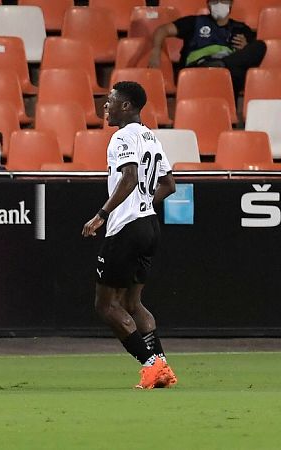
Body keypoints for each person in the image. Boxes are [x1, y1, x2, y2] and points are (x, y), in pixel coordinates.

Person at [81, 81, 178, 390]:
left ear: (126, 106)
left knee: (105, 304)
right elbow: (169, 184)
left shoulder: (122, 136)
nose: (105, 107)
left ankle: (149, 365)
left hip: (126, 228)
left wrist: (101, 215)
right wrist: (145, 203)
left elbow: (130, 177)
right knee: (133, 303)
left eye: (110, 101)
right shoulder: (151, 137)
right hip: (150, 225)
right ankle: (162, 365)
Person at [149, 0, 266, 96]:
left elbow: (253, 54)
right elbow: (162, 30)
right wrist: (156, 51)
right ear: (208, 4)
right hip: (199, 71)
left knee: (260, 45)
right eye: (214, 1)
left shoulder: (241, 28)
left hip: (228, 75)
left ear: (230, 3)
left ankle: (221, 65)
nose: (219, 4)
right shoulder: (194, 22)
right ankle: (218, 66)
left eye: (223, 1)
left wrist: (246, 47)